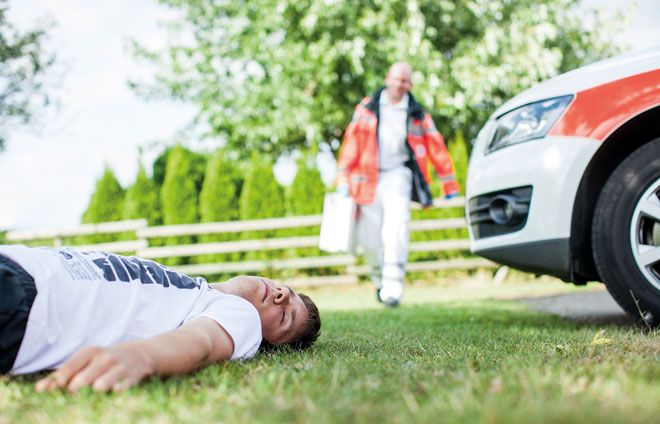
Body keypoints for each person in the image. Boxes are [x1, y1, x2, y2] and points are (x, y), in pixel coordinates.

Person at [0, 244, 320, 392]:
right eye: (286, 291)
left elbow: (205, 342)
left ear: (253, 341)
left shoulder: (237, 314)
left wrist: (143, 356)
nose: (280, 296)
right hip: (18, 261)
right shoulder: (193, 289)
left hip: (27, 305)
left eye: (284, 317)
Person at [336, 61, 460, 307]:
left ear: (410, 84)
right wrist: (342, 176)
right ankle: (379, 280)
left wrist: (449, 184)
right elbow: (352, 142)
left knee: (397, 226)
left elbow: (435, 144)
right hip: (367, 177)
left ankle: (393, 289)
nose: (400, 84)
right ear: (387, 79)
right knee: (369, 237)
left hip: (399, 174)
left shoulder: (416, 112)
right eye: (396, 79)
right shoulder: (367, 108)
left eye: (405, 80)